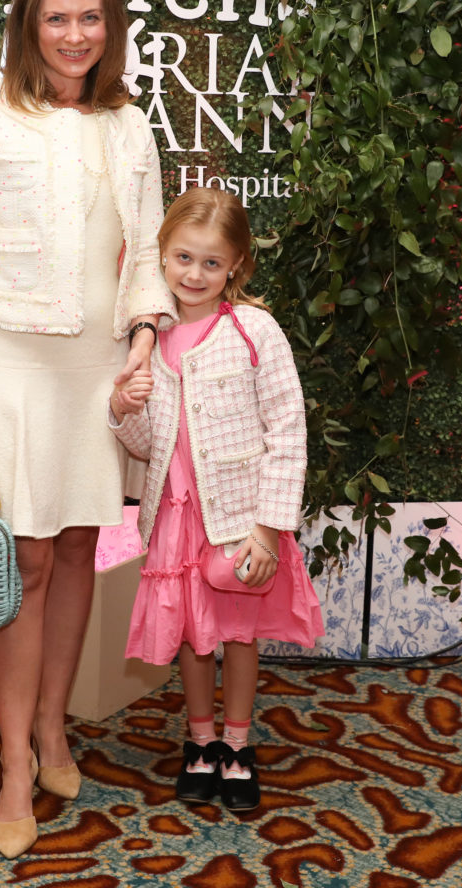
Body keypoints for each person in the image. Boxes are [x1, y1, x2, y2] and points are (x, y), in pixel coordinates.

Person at [0, 0, 177, 859]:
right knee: (21, 562)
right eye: (58, 18)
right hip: (6, 364)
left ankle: (56, 727)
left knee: (75, 549)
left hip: (93, 372)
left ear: (111, 28)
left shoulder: (129, 124)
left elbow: (145, 254)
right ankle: (15, 764)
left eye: (90, 19)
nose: (75, 35)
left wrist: (143, 339)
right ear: (30, 23)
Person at [109, 187, 324, 813]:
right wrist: (123, 409)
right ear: (161, 258)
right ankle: (198, 742)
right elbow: (149, 444)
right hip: (175, 519)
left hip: (237, 519)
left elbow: (288, 429)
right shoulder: (148, 342)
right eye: (182, 258)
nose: (194, 274)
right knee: (191, 636)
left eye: (211, 262)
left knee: (236, 634)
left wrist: (268, 529)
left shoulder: (255, 331)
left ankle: (237, 746)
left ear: (236, 266)